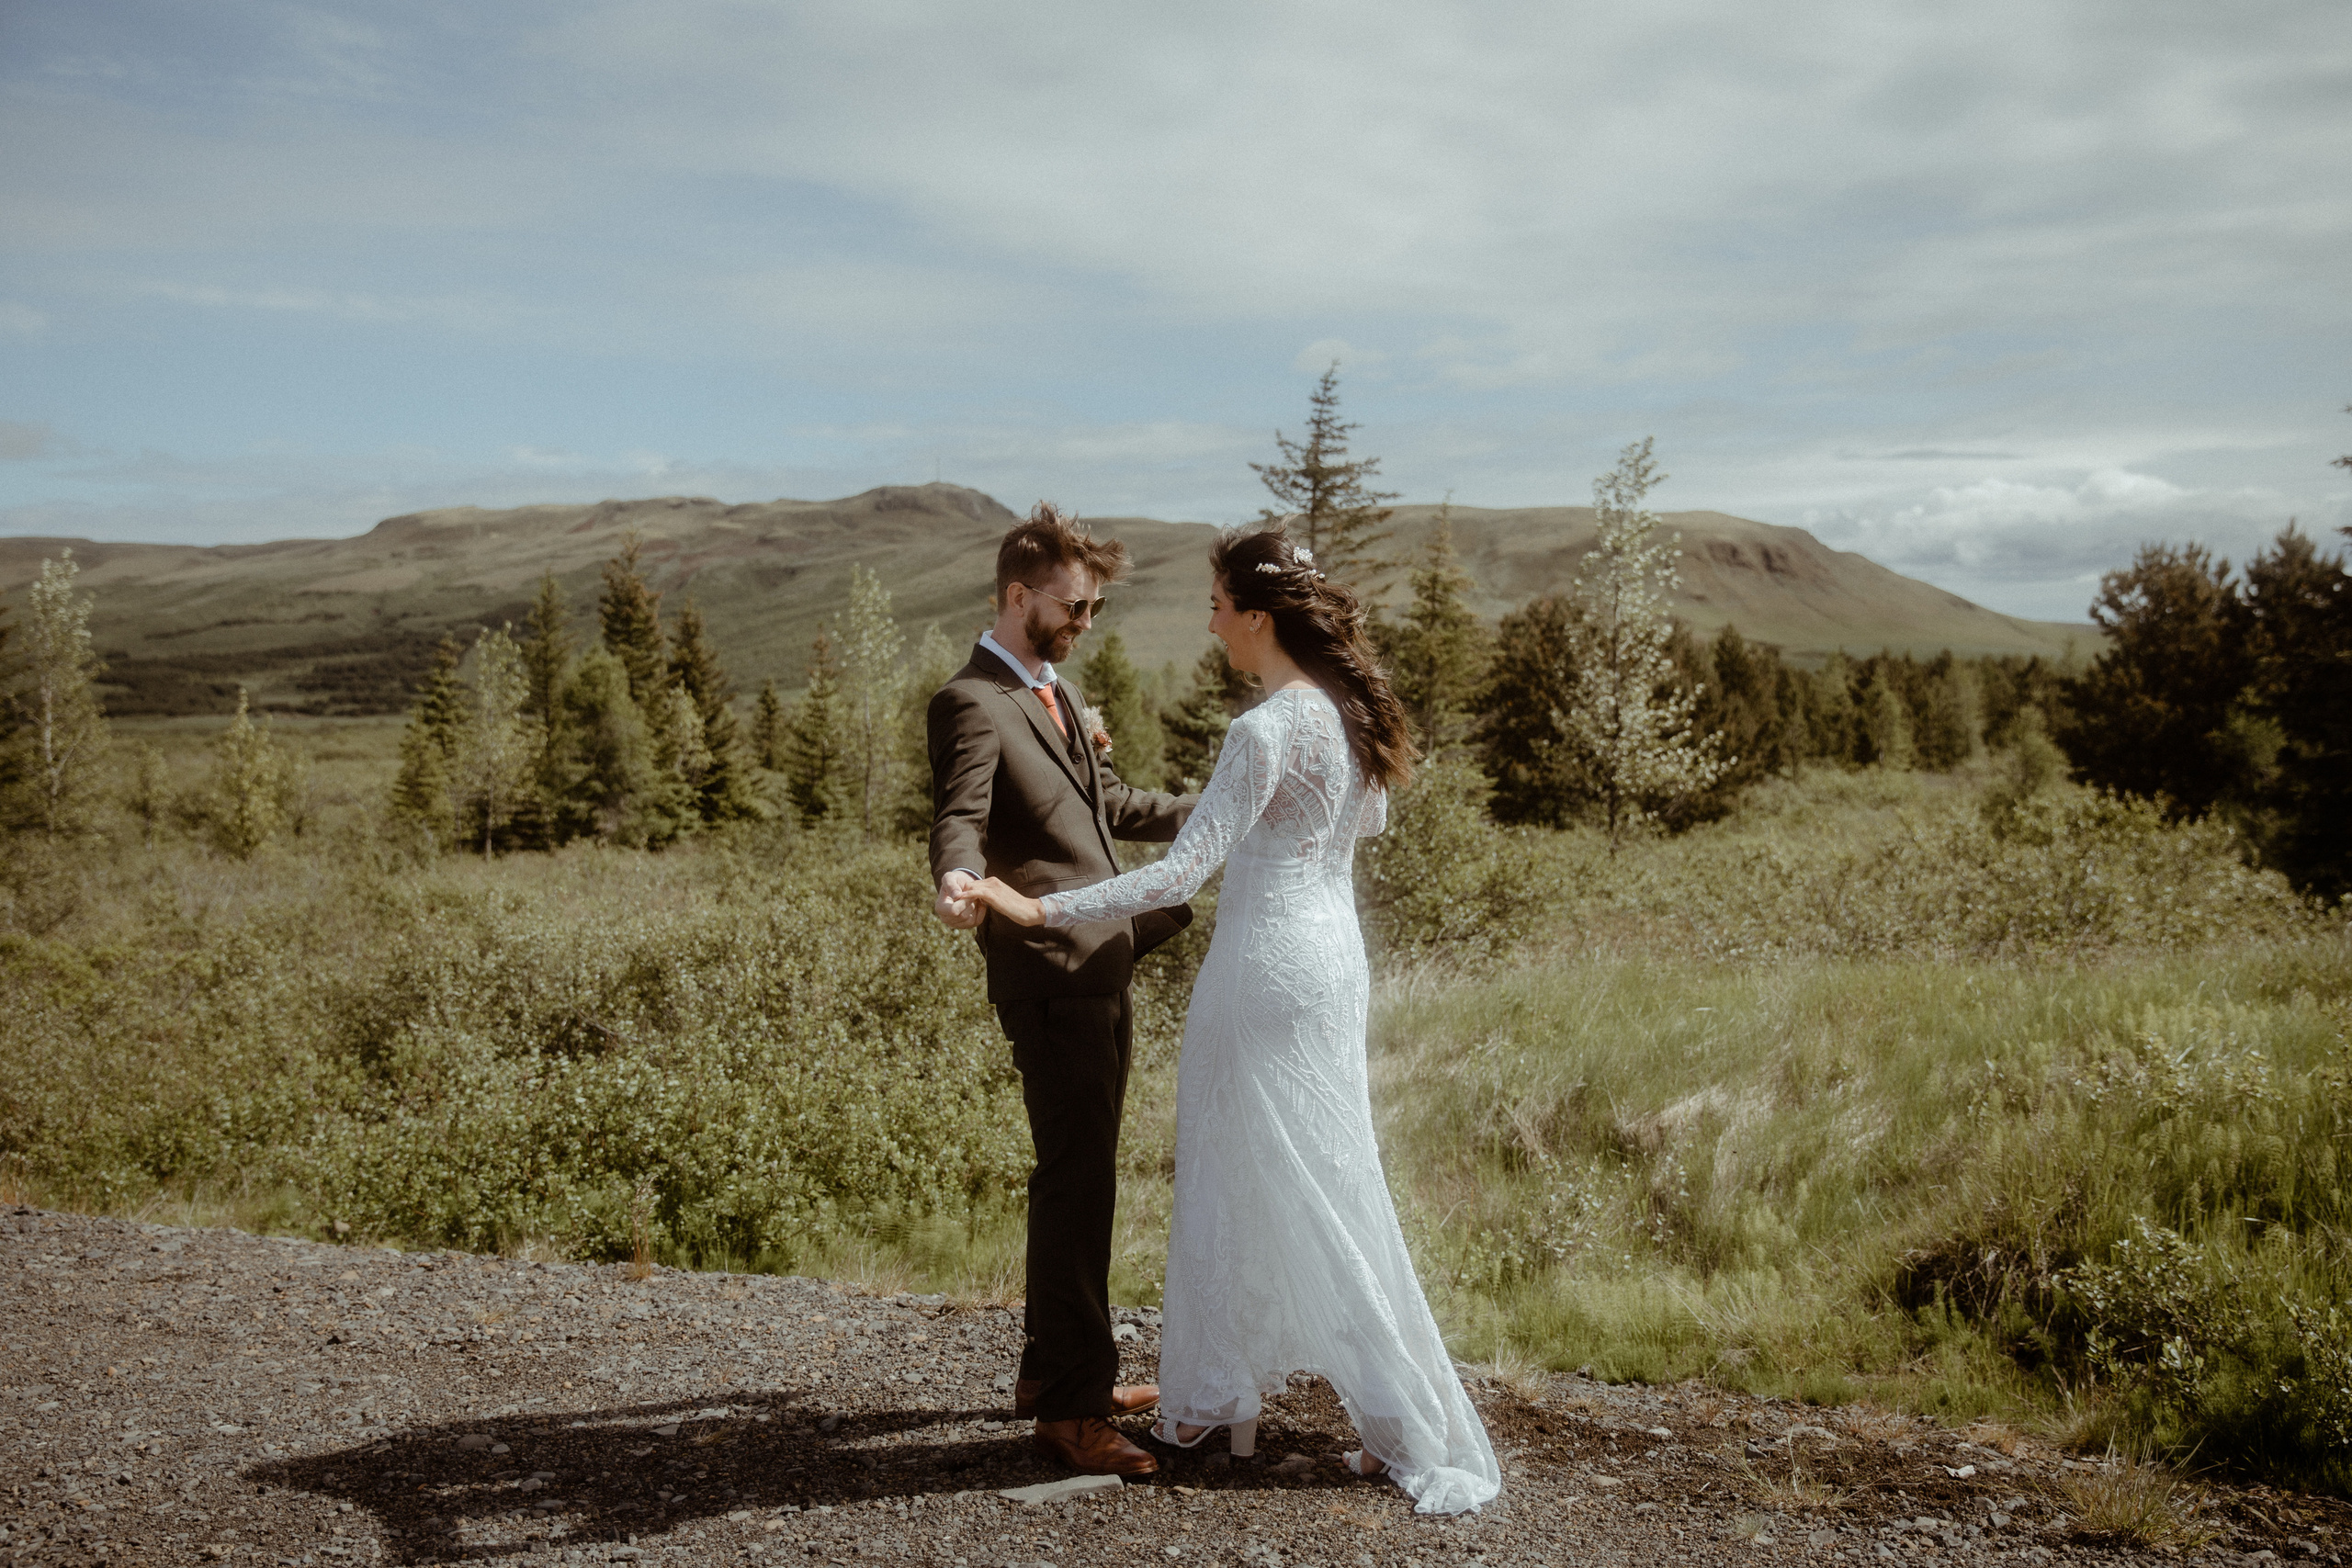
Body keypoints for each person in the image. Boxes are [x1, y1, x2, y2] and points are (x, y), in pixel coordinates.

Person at [962, 527, 1502, 1515]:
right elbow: (1363, 823)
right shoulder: (1344, 714)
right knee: (1333, 1172)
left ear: (1257, 616)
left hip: (1259, 968)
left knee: (1225, 1172)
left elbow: (1179, 875)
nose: (1209, 624)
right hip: (1331, 960)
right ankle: (1376, 1407)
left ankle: (1214, 1402)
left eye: (1217, 606)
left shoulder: (1262, 730)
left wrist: (1037, 910)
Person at [927, 503, 1199, 1478]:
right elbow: (959, 816)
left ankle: (1053, 1372)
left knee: (1081, 1176)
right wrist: (957, 879)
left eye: (1095, 609)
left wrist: (1214, 809)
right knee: (1077, 1184)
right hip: (1049, 972)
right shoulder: (971, 701)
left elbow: (1109, 807)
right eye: (1074, 607)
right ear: (1018, 594)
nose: (1085, 623)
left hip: (1100, 961)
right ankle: (1072, 1412)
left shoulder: (1056, 693)